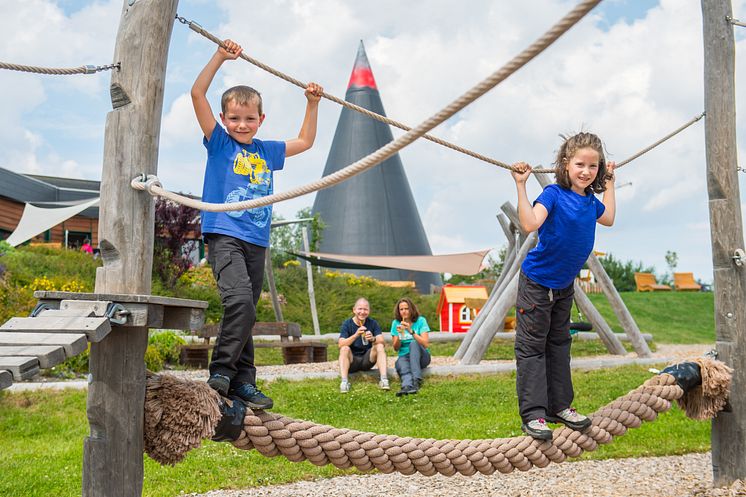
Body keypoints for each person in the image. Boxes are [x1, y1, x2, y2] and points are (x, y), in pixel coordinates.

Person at [192, 39, 323, 409]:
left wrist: (311, 104)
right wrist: (220, 56)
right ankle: (222, 372)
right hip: (224, 235)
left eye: (249, 119)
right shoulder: (219, 143)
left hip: (256, 241)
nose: (241, 124)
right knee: (240, 303)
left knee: (246, 309)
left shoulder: (265, 151)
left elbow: (306, 141)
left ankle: (243, 383)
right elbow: (197, 93)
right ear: (223, 120)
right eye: (234, 118)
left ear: (260, 120)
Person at [510, 132, 616, 440]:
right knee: (532, 349)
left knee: (559, 346)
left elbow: (608, 217)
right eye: (580, 164)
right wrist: (521, 185)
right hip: (537, 284)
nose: (586, 171)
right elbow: (530, 223)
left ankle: (560, 407)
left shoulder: (589, 202)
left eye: (593, 166)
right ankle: (534, 414)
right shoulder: (554, 195)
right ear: (566, 164)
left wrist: (609, 180)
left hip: (563, 285)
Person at [338, 298, 389, 393]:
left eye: (365, 309)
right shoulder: (347, 324)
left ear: (369, 311)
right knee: (344, 349)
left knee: (379, 346)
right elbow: (341, 344)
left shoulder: (373, 323)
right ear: (354, 310)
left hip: (367, 360)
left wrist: (373, 339)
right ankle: (344, 382)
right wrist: (356, 335)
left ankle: (384, 380)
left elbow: (382, 341)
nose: (362, 312)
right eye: (359, 309)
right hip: (352, 361)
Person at [390, 297, 431, 397]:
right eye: (401, 309)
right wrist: (400, 335)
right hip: (405, 356)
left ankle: (416, 382)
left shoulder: (421, 321)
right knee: (401, 364)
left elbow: (425, 344)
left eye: (406, 308)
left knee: (413, 343)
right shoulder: (396, 323)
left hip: (422, 356)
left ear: (411, 309)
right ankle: (406, 386)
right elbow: (396, 348)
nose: (404, 311)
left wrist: (410, 331)